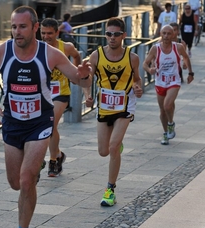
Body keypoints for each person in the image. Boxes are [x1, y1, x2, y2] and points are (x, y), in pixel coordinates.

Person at [0, 6, 92, 228]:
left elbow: (78, 78)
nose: (17, 32)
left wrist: (86, 77)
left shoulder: (51, 54)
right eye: (13, 27)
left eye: (22, 27)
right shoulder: (1, 52)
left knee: (25, 180)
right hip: (12, 122)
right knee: (15, 183)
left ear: (35, 27)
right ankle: (34, 170)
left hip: (39, 123)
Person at [85, 18, 143, 207]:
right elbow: (88, 78)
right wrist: (87, 94)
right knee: (103, 151)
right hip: (104, 106)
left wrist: (138, 88)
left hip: (125, 106)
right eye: (108, 34)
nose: (111, 38)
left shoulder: (132, 58)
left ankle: (110, 190)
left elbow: (137, 79)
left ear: (123, 36)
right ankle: (116, 145)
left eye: (116, 34)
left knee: (112, 147)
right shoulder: (96, 55)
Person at [40, 17, 81, 177]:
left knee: (50, 124)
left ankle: (52, 161)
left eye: (50, 33)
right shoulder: (37, 48)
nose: (46, 37)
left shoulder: (66, 47)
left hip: (61, 92)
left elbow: (77, 56)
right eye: (43, 33)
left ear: (57, 32)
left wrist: (75, 73)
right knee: (50, 127)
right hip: (43, 93)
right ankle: (58, 154)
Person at [143, 25, 194, 145]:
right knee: (162, 110)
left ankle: (171, 123)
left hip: (174, 81)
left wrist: (190, 73)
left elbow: (186, 58)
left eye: (168, 34)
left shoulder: (178, 47)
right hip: (160, 82)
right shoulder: (155, 49)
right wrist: (149, 70)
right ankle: (165, 133)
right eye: (164, 33)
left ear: (173, 35)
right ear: (161, 34)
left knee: (167, 105)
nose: (166, 36)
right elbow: (145, 63)